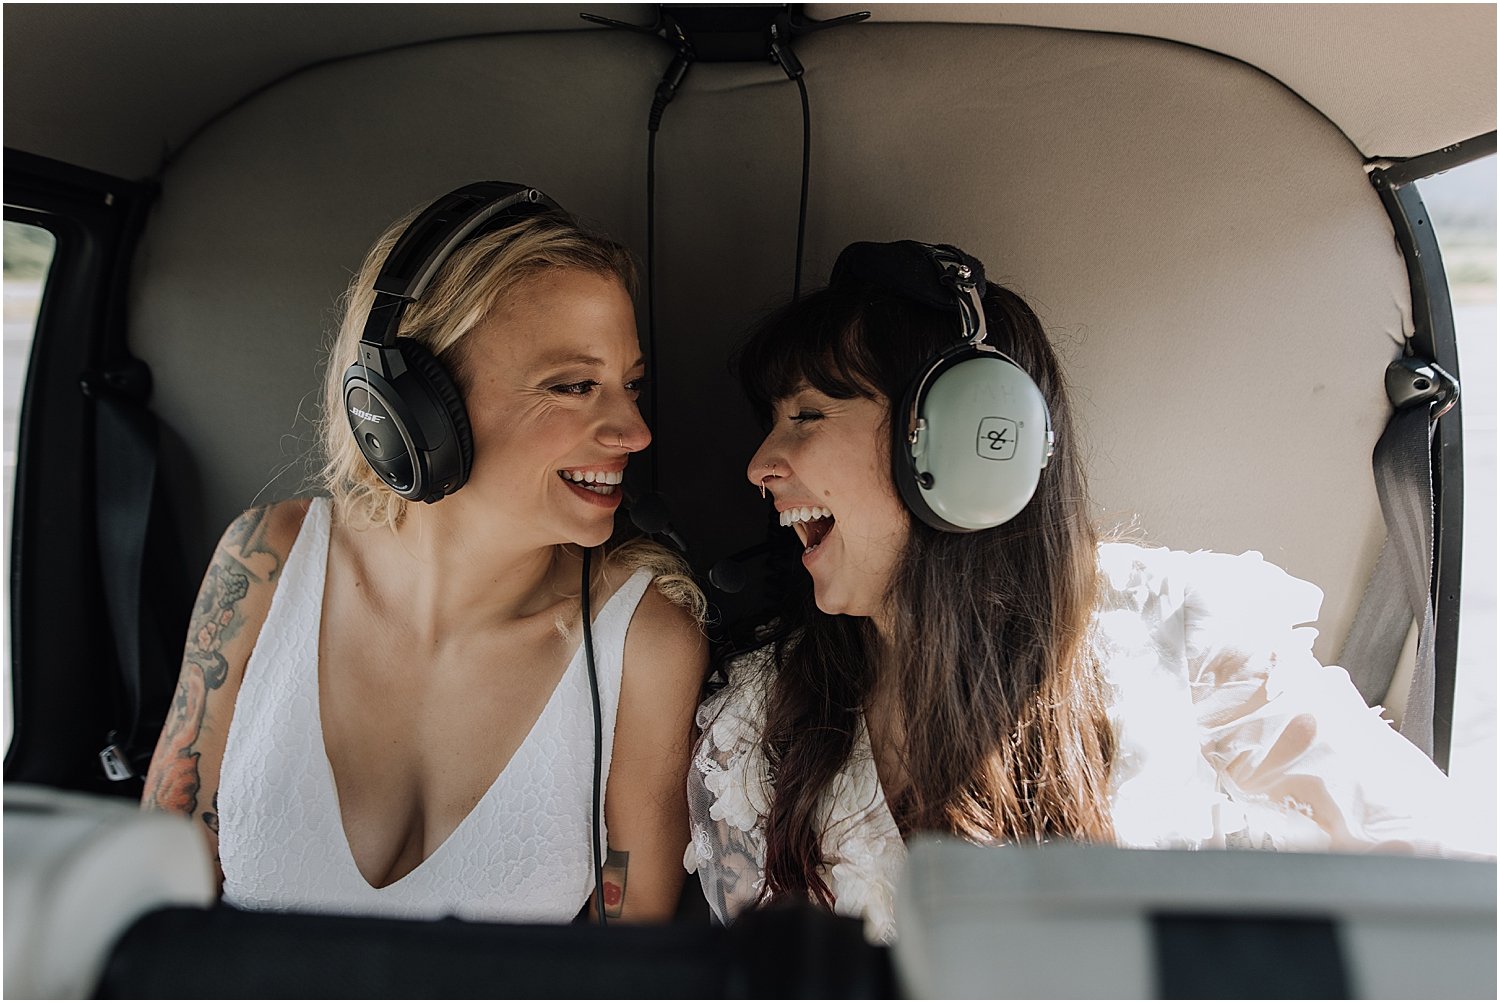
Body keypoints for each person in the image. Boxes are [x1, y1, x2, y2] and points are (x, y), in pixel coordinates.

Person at [683, 239, 1481, 943]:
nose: (760, 464)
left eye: (807, 415)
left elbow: (1446, 888)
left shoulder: (1180, 633)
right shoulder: (759, 725)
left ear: (972, 444)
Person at [142, 185, 707, 924]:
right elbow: (148, 908)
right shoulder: (264, 562)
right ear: (413, 405)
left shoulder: (646, 642)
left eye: (629, 386)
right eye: (573, 385)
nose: (633, 431)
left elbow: (628, 974)